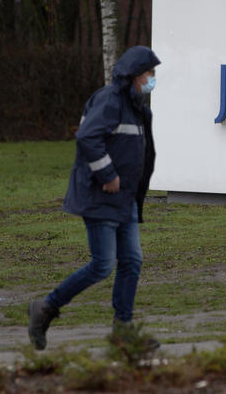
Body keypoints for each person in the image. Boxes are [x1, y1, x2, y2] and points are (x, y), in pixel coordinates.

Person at [28, 46, 161, 350]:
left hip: (124, 199)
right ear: (134, 74)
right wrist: (109, 175)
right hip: (101, 195)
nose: (153, 79)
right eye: (149, 73)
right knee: (103, 265)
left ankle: (123, 332)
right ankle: (45, 308)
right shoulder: (110, 100)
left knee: (132, 261)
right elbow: (87, 137)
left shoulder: (137, 106)